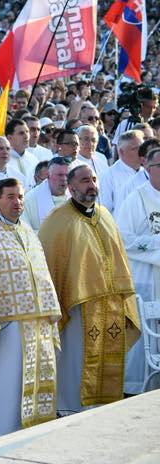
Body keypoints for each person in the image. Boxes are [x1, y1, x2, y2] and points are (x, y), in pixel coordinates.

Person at [0, 179, 60, 446]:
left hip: (35, 325)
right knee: (0, 391)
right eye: (11, 197)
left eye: (20, 197)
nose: (17, 202)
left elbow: (42, 273)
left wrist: (50, 313)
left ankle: (24, 444)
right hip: (3, 330)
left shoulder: (27, 231)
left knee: (24, 393)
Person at [39, 164, 140, 414]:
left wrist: (126, 302)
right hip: (77, 307)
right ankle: (70, 409)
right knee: (76, 361)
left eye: (93, 179)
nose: (91, 184)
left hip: (111, 304)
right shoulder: (57, 220)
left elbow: (120, 259)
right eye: (85, 180)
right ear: (71, 188)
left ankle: (103, 407)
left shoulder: (105, 215)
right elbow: (50, 266)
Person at [111, 147, 160, 393]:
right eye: (159, 166)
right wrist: (156, 246)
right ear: (148, 169)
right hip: (146, 279)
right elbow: (122, 237)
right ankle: (137, 387)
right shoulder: (136, 198)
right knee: (144, 337)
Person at [23, 156, 72, 233]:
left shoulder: (76, 196)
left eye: (67, 175)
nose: (64, 179)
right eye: (60, 175)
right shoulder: (30, 199)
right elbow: (24, 231)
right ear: (48, 175)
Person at [102, 129, 144, 211]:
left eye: (142, 147)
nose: (141, 151)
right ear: (121, 152)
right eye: (135, 148)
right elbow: (104, 210)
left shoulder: (149, 172)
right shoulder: (109, 176)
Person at [6, 119, 40, 190]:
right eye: (21, 133)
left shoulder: (34, 160)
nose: (26, 136)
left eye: (27, 132)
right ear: (9, 138)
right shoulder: (3, 160)